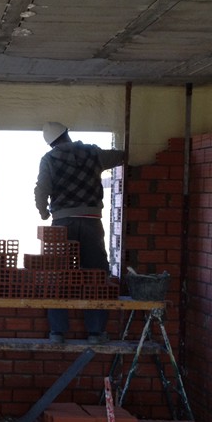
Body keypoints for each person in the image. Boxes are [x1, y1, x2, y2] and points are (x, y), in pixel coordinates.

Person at [34, 121, 125, 344]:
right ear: (67, 134)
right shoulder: (92, 153)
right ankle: (96, 332)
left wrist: (44, 212)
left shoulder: (49, 159)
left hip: (62, 223)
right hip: (92, 222)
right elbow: (120, 156)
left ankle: (57, 332)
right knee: (96, 275)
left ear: (50, 143)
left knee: (57, 274)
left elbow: (41, 189)